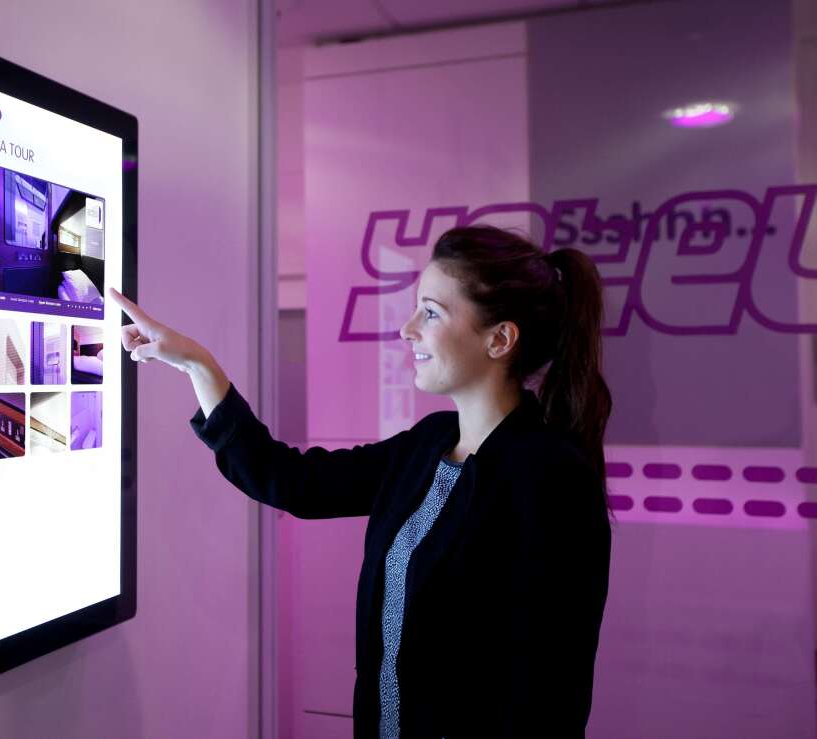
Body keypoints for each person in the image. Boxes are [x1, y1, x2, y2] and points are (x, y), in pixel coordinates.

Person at [108, 224, 613, 739]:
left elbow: (550, 689)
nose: (408, 330)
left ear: (499, 339)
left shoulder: (551, 476)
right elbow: (294, 481)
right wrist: (197, 364)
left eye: (431, 313)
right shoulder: (430, 442)